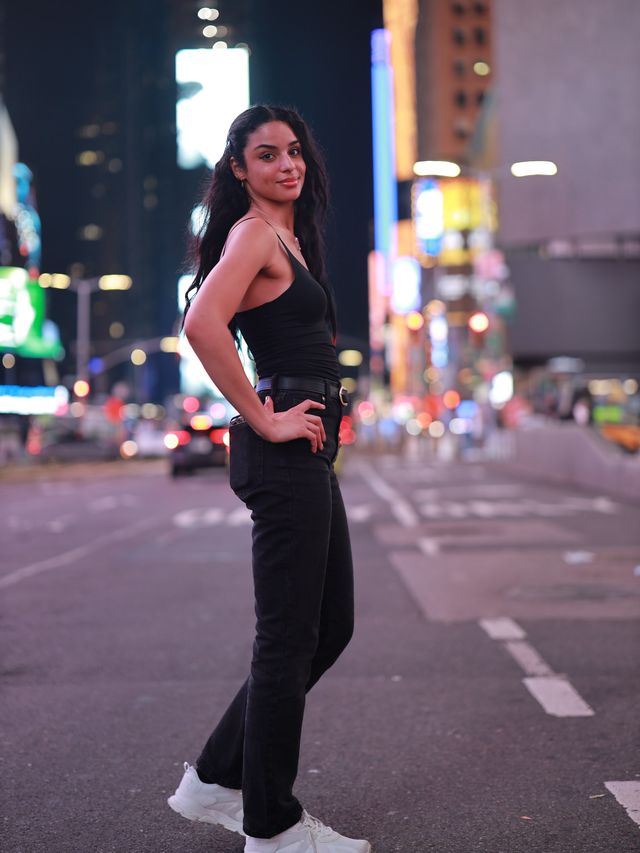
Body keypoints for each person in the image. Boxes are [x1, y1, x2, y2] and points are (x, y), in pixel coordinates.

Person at [167, 105, 371, 853]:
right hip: (285, 446)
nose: (287, 164)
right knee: (287, 640)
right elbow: (201, 324)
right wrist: (264, 415)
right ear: (239, 169)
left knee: (330, 625)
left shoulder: (285, 235)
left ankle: (216, 779)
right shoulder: (253, 233)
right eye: (266, 155)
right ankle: (273, 826)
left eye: (293, 152)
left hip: (309, 446)